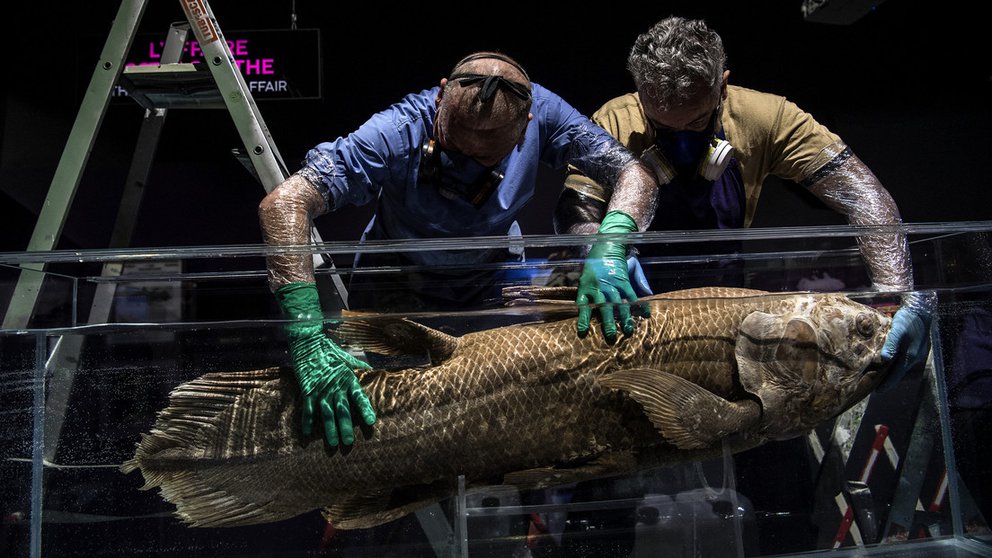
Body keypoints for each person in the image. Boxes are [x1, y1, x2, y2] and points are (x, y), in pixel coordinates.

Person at [257, 51, 659, 449]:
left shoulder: (547, 113)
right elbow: (285, 203)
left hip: (490, 279)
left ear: (526, 126)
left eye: (485, 156)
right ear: (441, 96)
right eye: (454, 143)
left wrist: (612, 244)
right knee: (383, 424)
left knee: (490, 417)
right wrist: (305, 331)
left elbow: (635, 174)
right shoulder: (397, 130)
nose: (466, 161)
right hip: (395, 281)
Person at [556, 15, 932, 390]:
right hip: (628, 302)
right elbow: (576, 206)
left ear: (722, 86)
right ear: (641, 92)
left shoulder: (766, 118)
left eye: (697, 122)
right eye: (665, 129)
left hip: (724, 302)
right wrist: (602, 252)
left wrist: (897, 296)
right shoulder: (614, 121)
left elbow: (863, 195)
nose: (682, 142)